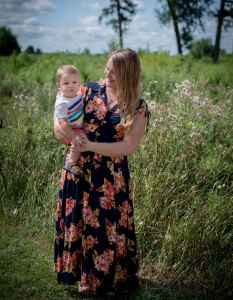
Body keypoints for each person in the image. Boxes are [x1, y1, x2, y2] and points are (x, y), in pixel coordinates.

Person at [53, 48, 150, 296]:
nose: (107, 74)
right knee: (79, 222)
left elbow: (129, 147)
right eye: (107, 68)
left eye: (114, 72)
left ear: (129, 74)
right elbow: (59, 115)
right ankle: (82, 278)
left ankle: (109, 281)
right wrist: (69, 136)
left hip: (110, 178)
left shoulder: (138, 106)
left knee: (106, 228)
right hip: (79, 169)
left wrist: (91, 145)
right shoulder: (86, 90)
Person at [55, 65, 85, 178]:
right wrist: (73, 136)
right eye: (66, 83)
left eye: (74, 82)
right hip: (70, 129)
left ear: (79, 83)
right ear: (59, 86)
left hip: (76, 127)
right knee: (81, 137)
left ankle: (73, 160)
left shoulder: (77, 95)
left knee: (81, 137)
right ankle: (71, 162)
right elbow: (62, 122)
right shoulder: (62, 102)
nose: (71, 86)